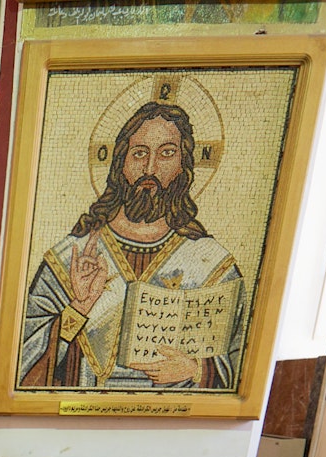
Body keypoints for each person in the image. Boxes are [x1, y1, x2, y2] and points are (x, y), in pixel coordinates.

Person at [18, 101, 244, 389]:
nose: (150, 168)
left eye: (166, 153)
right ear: (120, 162)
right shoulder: (70, 257)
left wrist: (196, 370)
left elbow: (238, 362)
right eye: (139, 153)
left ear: (183, 165)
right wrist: (79, 307)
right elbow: (23, 368)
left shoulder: (212, 264)